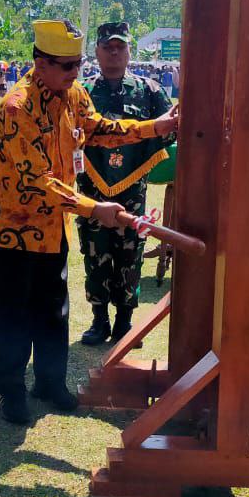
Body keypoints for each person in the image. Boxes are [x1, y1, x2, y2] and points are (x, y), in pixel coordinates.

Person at [0, 19, 178, 425]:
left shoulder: (72, 94)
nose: (75, 73)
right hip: (13, 230)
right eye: (66, 65)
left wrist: (152, 127)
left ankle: (49, 383)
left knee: (53, 309)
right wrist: (93, 207)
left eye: (77, 63)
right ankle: (9, 390)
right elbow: (37, 180)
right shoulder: (17, 107)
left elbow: (99, 130)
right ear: (40, 62)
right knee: (11, 314)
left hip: (53, 228)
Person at [76, 22, 172, 345]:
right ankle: (99, 320)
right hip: (92, 190)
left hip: (133, 193)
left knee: (130, 253)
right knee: (95, 253)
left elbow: (171, 128)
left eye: (120, 47)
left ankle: (125, 322)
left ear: (130, 50)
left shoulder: (150, 91)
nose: (114, 52)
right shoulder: (83, 92)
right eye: (108, 47)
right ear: (97, 52)